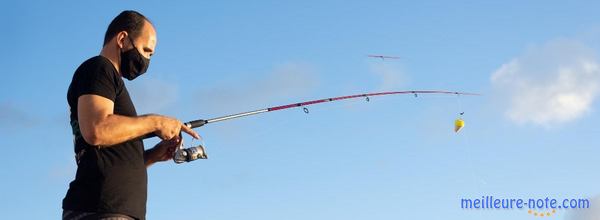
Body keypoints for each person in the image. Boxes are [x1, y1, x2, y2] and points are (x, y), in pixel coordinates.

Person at [62, 10, 199, 220]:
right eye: (146, 50)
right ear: (123, 39)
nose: (146, 60)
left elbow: (108, 156)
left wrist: (152, 155)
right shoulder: (99, 69)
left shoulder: (110, 80)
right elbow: (97, 129)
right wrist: (155, 122)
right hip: (101, 210)